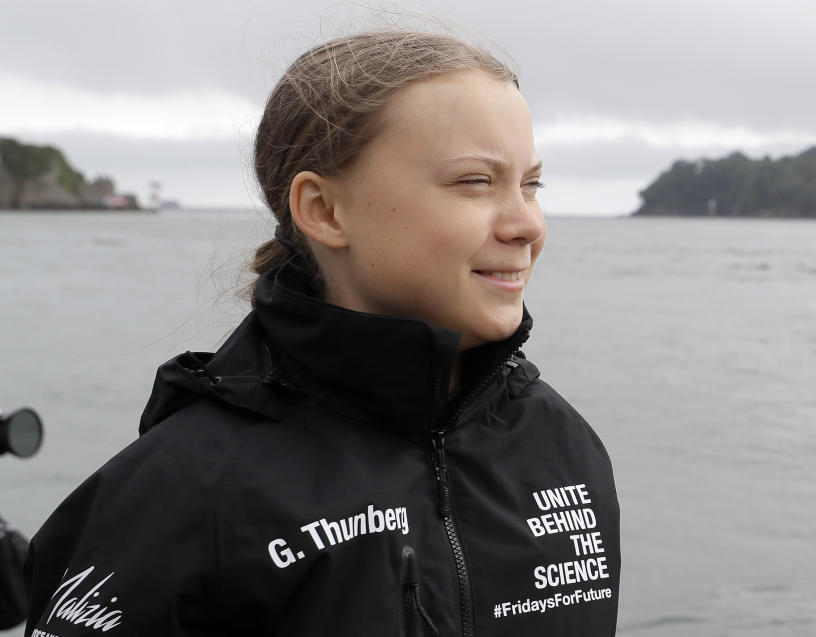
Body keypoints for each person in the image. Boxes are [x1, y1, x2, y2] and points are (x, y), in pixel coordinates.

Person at [24, 29, 620, 636]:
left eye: (531, 184)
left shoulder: (563, 445)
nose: (527, 223)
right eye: (474, 181)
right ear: (324, 210)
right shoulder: (186, 491)